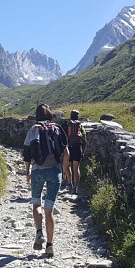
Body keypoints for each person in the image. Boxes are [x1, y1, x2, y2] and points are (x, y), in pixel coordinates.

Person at [22, 104, 69, 257]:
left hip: (37, 171)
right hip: (55, 172)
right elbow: (66, 152)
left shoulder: (33, 129)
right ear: (49, 114)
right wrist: (65, 169)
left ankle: (39, 232)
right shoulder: (56, 128)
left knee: (36, 203)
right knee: (49, 210)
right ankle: (50, 246)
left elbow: (27, 153)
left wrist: (27, 172)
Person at [65, 110, 86, 194]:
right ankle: (76, 187)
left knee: (67, 166)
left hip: (69, 147)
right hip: (78, 147)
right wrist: (83, 151)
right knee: (76, 167)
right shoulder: (80, 126)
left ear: (70, 115)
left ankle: (69, 182)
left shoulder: (67, 124)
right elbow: (84, 139)